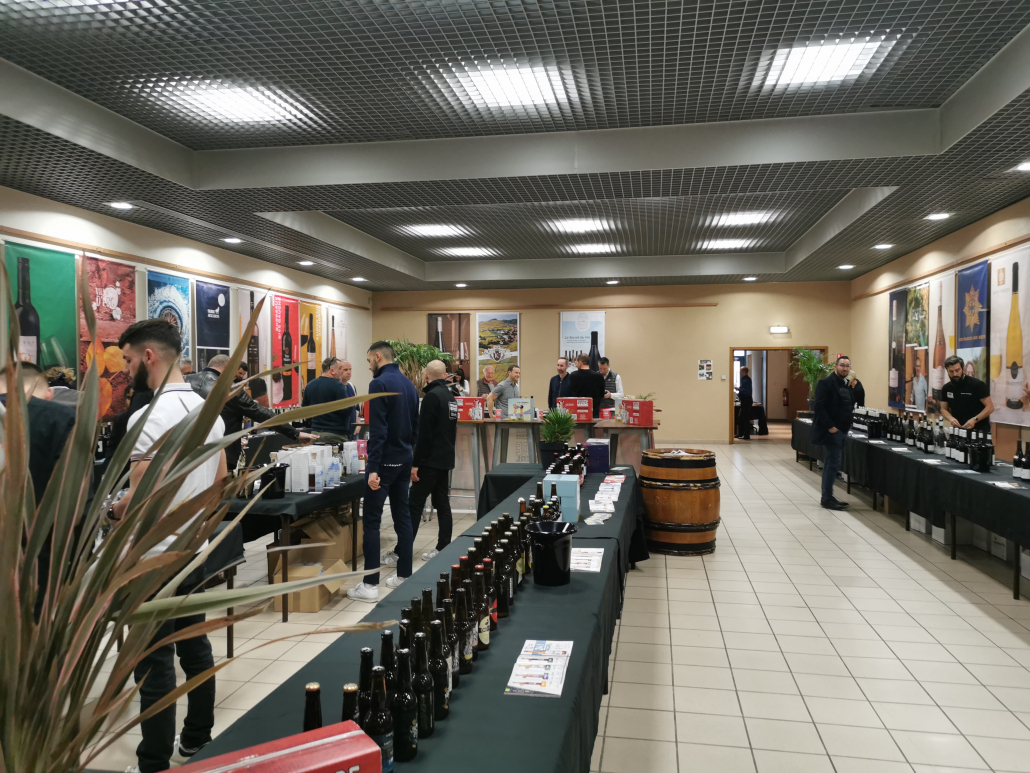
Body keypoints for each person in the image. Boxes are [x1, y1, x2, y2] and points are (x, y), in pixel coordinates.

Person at [109, 319, 226, 773]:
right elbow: (219, 481)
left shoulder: (148, 417)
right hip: (193, 550)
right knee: (194, 646)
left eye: (128, 360)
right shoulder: (208, 410)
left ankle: (153, 762)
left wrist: (112, 511)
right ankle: (196, 738)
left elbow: (140, 496)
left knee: (153, 662)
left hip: (153, 559)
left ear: (149, 356)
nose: (126, 370)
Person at [0, 362, 78, 622]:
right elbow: (74, 492)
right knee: (32, 624)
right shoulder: (60, 418)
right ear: (49, 393)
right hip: (40, 550)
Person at [348, 341, 418, 602]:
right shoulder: (409, 384)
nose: (369, 366)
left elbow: (378, 430)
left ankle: (369, 585)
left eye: (369, 361)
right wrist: (410, 455)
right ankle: (404, 576)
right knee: (403, 516)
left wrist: (373, 468)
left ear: (378, 356)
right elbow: (415, 426)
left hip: (385, 462)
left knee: (372, 521)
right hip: (405, 458)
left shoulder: (379, 384)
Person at [185, 354, 310, 472]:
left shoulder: (186, 381)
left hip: (185, 456)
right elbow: (260, 413)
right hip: (220, 455)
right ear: (229, 368)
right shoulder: (231, 389)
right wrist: (295, 433)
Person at [409, 360, 458, 562]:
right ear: (445, 375)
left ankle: (402, 551)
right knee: (442, 503)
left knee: (414, 504)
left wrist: (416, 463)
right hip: (445, 458)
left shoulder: (431, 397)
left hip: (429, 461)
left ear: (426, 376)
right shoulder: (450, 397)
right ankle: (443, 547)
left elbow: (425, 435)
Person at [811, 355, 854, 511]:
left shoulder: (846, 384)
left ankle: (828, 496)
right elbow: (819, 407)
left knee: (833, 464)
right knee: (832, 464)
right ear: (835, 366)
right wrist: (830, 427)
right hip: (832, 431)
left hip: (843, 430)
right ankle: (827, 498)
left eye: (847, 366)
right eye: (842, 365)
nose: (845, 368)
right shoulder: (825, 383)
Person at [301, 357, 356, 439]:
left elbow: (305, 410)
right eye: (340, 368)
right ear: (332, 371)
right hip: (335, 435)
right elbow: (345, 411)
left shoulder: (310, 385)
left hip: (315, 434)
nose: (341, 371)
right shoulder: (338, 386)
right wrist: (351, 403)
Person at [941, 355, 994, 431]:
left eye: (957, 370)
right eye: (951, 371)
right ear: (947, 371)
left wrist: (975, 419)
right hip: (958, 430)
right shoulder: (946, 388)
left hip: (979, 430)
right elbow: (943, 409)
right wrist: (950, 418)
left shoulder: (977, 385)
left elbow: (990, 407)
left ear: (963, 369)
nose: (955, 374)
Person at [568, 353, 605, 418]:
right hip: (593, 412)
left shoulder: (573, 375)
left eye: (576, 362)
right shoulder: (598, 376)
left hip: (578, 412)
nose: (576, 365)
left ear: (580, 362)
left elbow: (570, 392)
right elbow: (602, 394)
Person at [736, 366, 753, 440]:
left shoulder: (746, 380)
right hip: (744, 401)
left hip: (746, 401)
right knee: (741, 418)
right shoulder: (744, 379)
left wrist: (738, 389)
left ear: (744, 372)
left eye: (741, 371)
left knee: (745, 418)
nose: (740, 373)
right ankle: (741, 434)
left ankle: (746, 435)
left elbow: (746, 391)